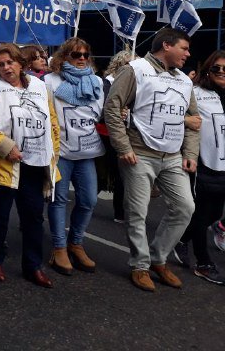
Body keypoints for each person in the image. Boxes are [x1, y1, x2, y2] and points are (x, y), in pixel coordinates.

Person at [104, 28, 198, 292]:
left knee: (185, 207)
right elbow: (112, 106)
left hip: (172, 157)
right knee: (137, 213)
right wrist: (122, 146)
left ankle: (158, 258)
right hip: (139, 153)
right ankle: (140, 265)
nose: (188, 54)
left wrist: (190, 153)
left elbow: (194, 120)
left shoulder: (184, 81)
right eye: (184, 48)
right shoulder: (135, 69)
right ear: (166, 46)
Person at [0, 43, 60, 288]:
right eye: (0, 64)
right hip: (3, 164)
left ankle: (33, 265)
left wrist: (52, 153)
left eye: (9, 62)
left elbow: (52, 122)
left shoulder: (40, 87)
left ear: (21, 63)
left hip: (34, 163)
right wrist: (5, 145)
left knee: (33, 217)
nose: (6, 68)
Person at [44, 38, 105, 276]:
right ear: (63, 56)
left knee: (89, 200)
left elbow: (100, 113)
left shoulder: (97, 82)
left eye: (84, 55)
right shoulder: (49, 81)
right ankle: (59, 248)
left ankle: (75, 243)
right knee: (58, 200)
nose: (81, 59)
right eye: (75, 54)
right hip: (62, 153)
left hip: (87, 152)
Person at [174, 50, 225, 284]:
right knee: (203, 214)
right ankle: (203, 263)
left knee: (214, 214)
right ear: (207, 69)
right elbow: (174, 115)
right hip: (203, 163)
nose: (222, 72)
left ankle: (182, 239)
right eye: (217, 68)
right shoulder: (195, 92)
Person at [99, 49, 137, 223]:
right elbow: (105, 108)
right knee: (104, 172)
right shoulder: (107, 83)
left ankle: (120, 211)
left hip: (128, 133)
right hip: (105, 134)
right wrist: (118, 110)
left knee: (122, 173)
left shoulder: (138, 83)